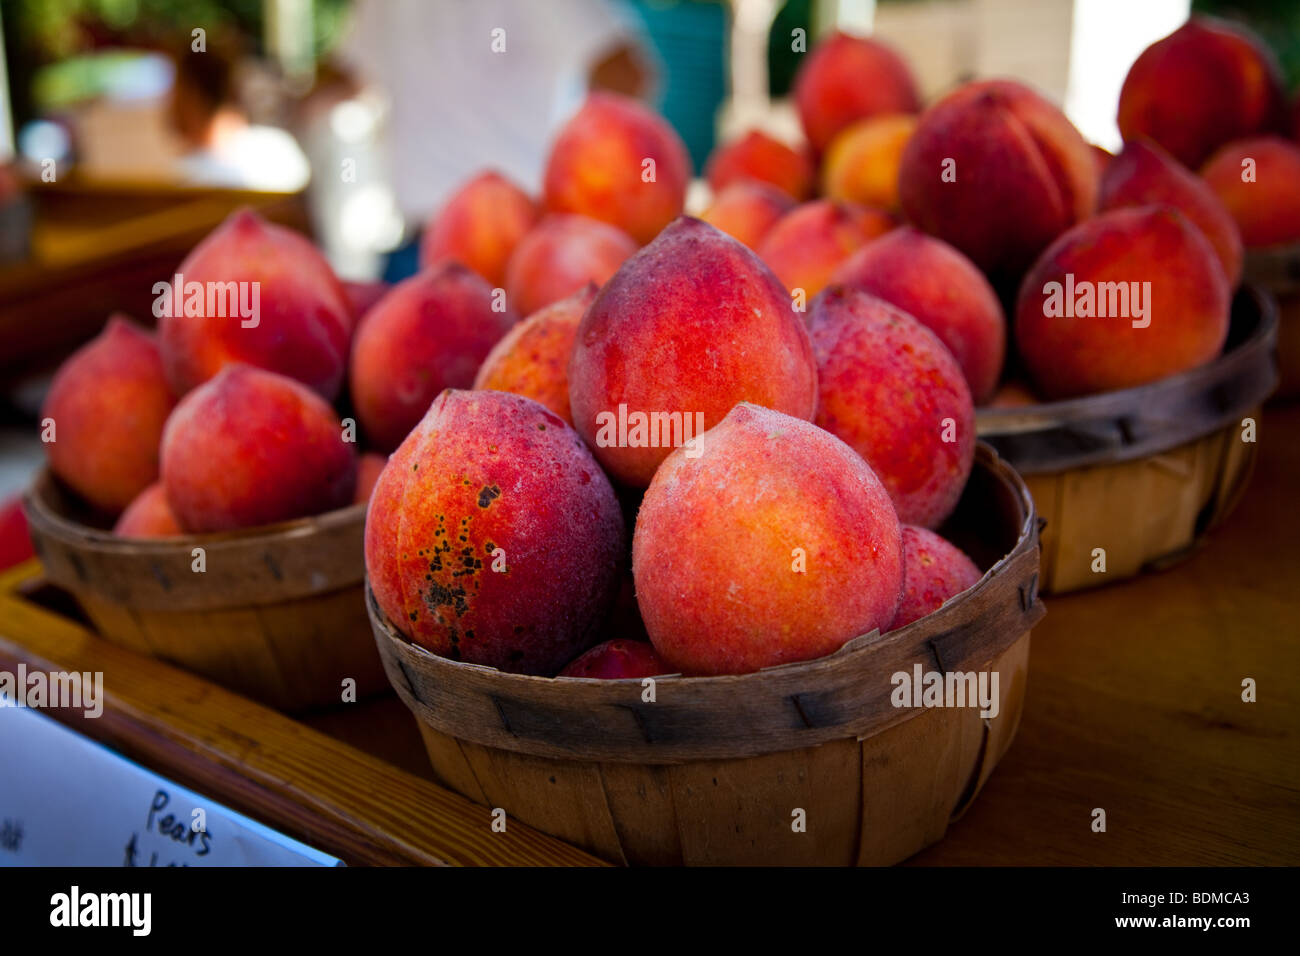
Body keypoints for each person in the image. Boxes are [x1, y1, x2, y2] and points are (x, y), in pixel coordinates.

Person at [337, 0, 655, 225]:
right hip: (419, 236)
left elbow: (625, 72)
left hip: (518, 233)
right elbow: (345, 72)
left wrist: (586, 170)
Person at [168, 49, 310, 192]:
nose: (169, 103)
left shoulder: (180, 174)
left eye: (174, 90)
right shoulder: (280, 149)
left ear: (192, 94)